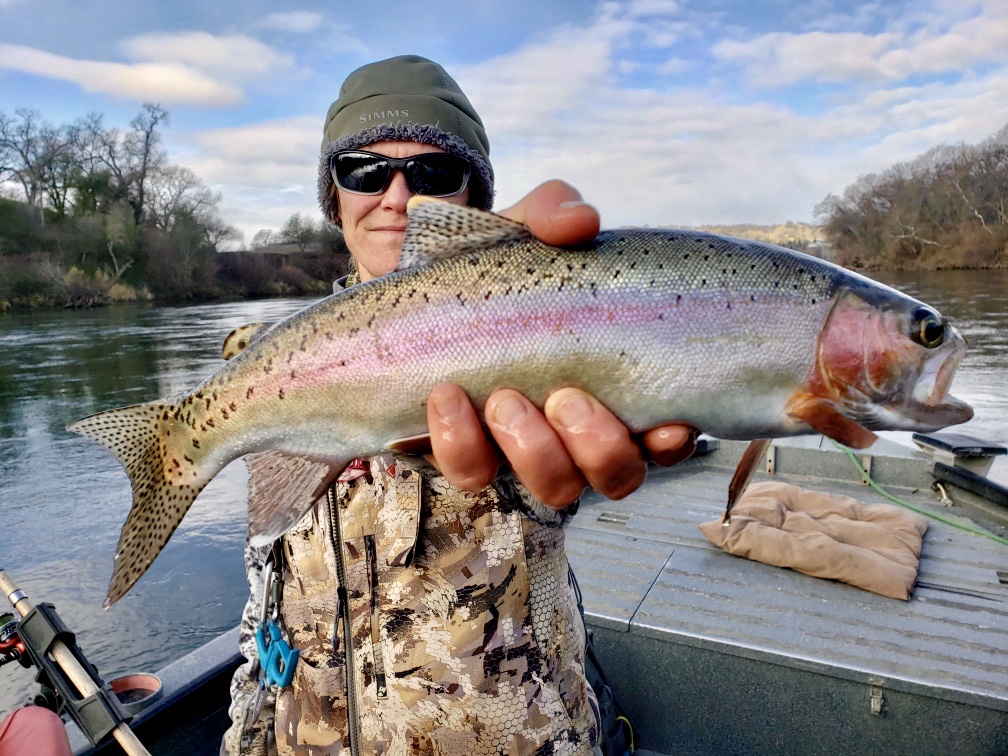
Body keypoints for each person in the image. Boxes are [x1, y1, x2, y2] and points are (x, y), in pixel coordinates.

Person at [222, 55, 695, 755]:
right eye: (364, 170)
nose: (400, 195)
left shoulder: (548, 321)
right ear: (334, 194)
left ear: (475, 199)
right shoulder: (266, 361)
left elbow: (557, 482)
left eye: (435, 174)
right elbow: (265, 590)